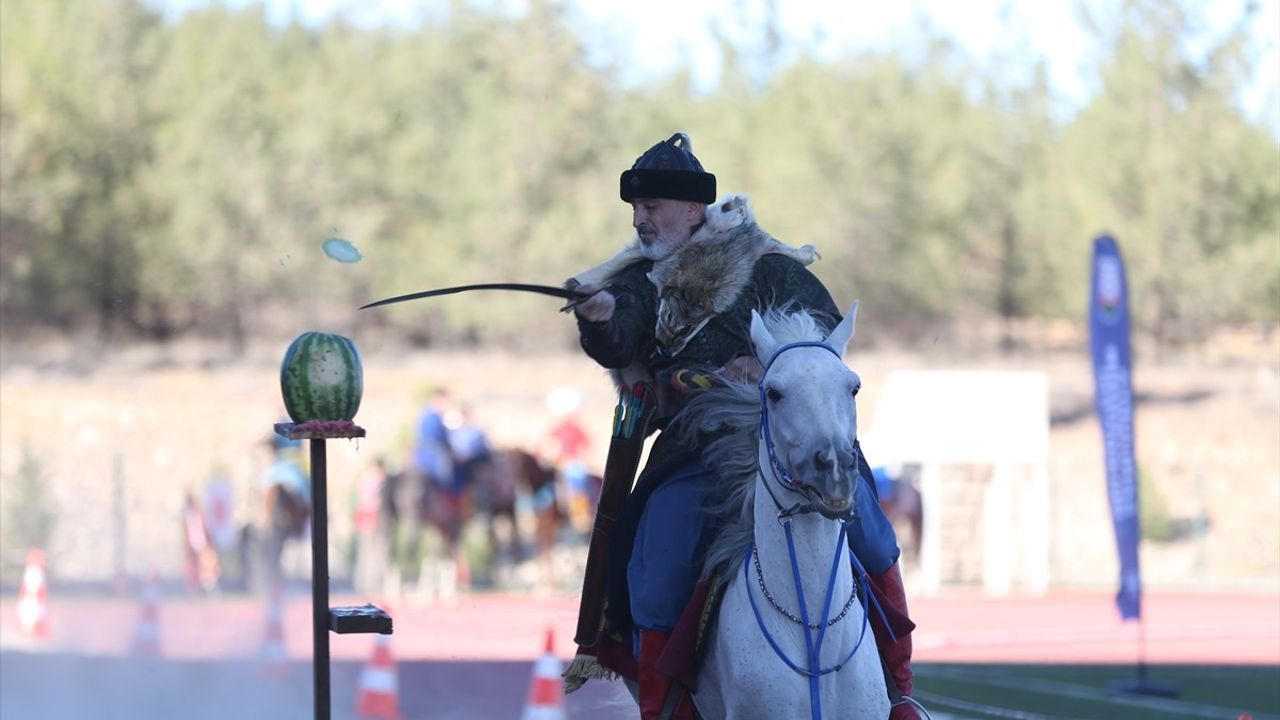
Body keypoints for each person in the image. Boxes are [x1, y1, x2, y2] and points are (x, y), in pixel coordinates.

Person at [567, 132, 919, 719]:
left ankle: (900, 693)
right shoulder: (635, 282)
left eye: (652, 208)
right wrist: (600, 321)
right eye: (636, 210)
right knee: (655, 564)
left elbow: (824, 339)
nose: (641, 221)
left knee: (877, 541)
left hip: (797, 433)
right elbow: (620, 337)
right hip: (696, 446)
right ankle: (663, 710)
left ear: (692, 210)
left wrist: (769, 360)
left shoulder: (769, 266)